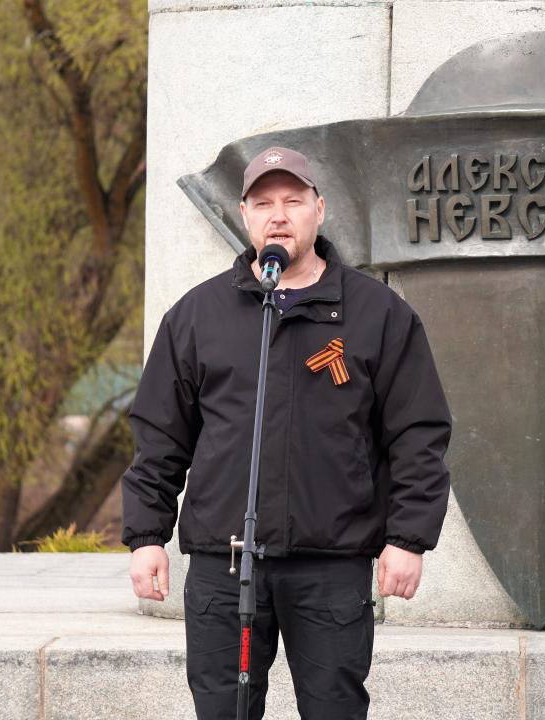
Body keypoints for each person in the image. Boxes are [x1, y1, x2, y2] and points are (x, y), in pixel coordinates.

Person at [121, 146, 452, 720]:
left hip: (332, 566)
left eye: (293, 201)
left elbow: (418, 433)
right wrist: (147, 535)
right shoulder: (198, 316)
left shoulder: (378, 314)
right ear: (244, 216)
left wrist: (408, 538)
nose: (278, 216)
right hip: (225, 565)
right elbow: (159, 437)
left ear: (319, 210)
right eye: (263, 203)